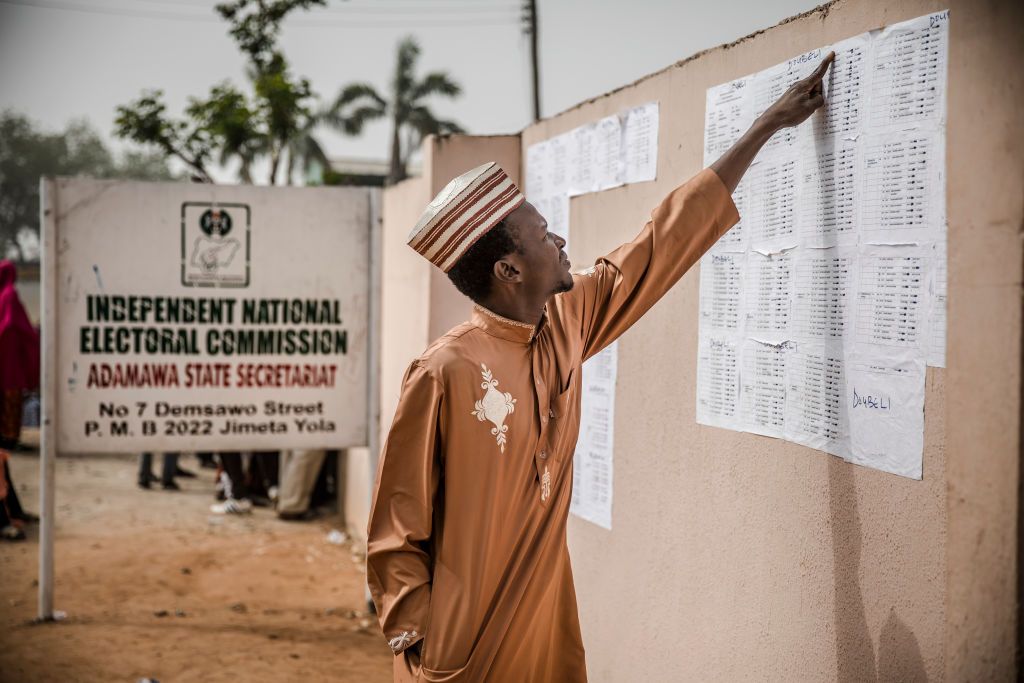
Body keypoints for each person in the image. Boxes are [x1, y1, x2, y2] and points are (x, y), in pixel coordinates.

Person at [366, 54, 835, 681]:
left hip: (544, 625)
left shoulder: (567, 321)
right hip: (462, 651)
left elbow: (660, 243)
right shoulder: (443, 371)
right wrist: (420, 642)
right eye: (542, 234)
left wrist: (765, 126)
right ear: (508, 270)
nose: (560, 241)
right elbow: (396, 529)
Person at [0, 260, 39, 450]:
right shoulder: (10, 296)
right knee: (12, 399)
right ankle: (9, 439)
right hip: (10, 361)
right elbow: (15, 326)